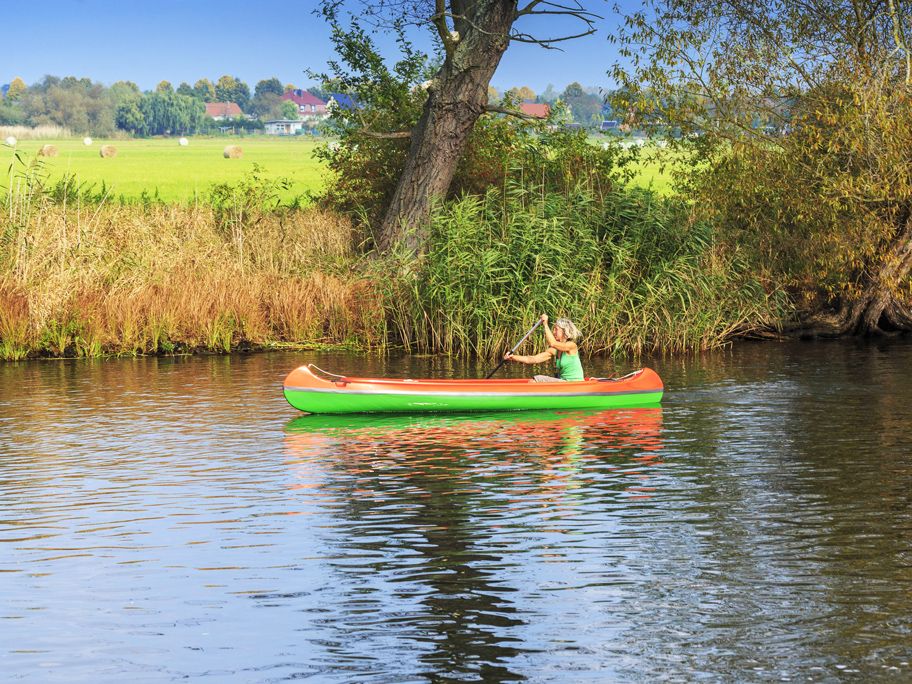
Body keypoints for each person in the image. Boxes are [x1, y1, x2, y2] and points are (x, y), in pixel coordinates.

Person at [504, 314, 585, 382]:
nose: (553, 332)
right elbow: (533, 359)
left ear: (564, 331)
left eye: (556, 329)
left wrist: (545, 325)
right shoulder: (554, 351)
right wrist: (512, 357)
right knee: (537, 379)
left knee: (536, 380)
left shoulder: (571, 346)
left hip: (573, 383)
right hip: (564, 382)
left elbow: (552, 343)